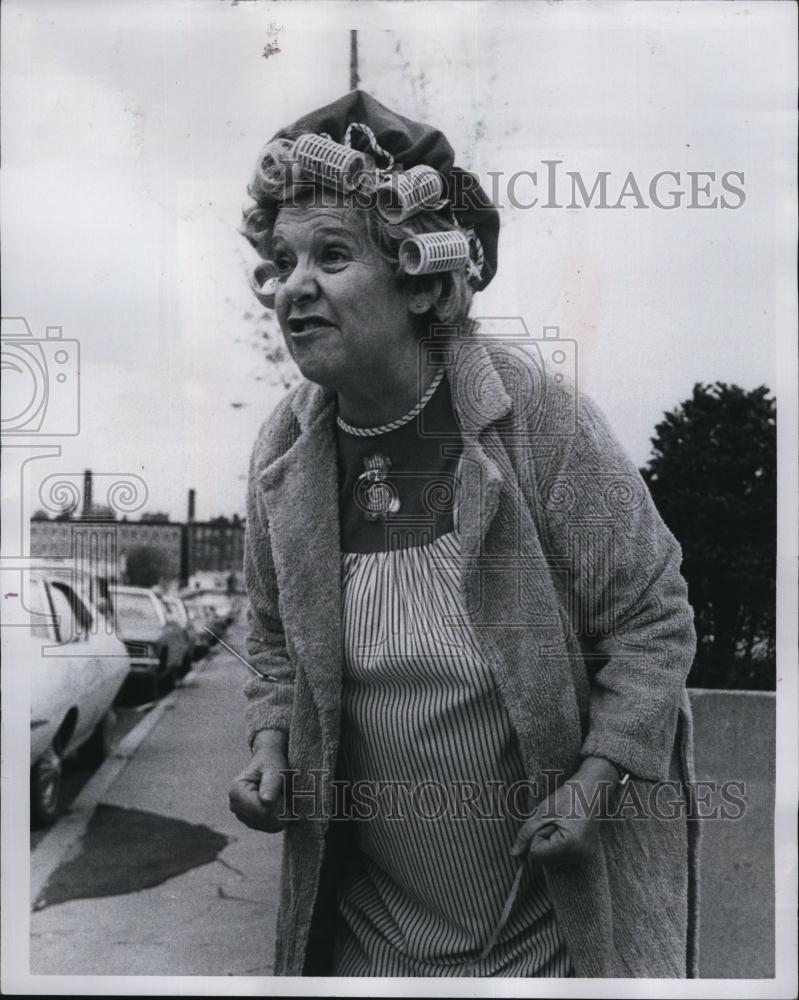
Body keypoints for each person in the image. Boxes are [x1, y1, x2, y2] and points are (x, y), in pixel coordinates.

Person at [228, 90, 700, 978]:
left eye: (331, 256)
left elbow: (652, 619)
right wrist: (270, 745)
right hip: (366, 938)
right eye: (281, 262)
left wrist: (596, 779)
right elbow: (273, 640)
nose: (293, 288)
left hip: (547, 932)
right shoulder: (285, 450)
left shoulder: (537, 423)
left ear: (423, 281)